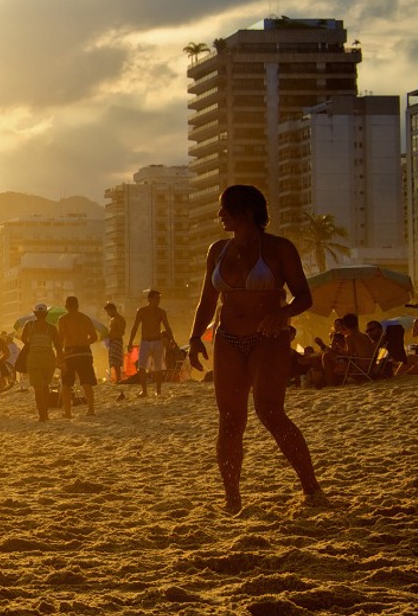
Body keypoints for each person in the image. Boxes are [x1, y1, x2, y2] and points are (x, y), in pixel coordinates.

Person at [188, 184, 326, 513]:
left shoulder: (279, 249)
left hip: (269, 339)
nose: (219, 215)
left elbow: (304, 296)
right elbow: (207, 300)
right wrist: (194, 338)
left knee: (270, 412)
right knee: (230, 419)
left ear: (246, 212)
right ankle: (232, 499)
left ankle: (311, 487)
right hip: (228, 339)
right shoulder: (217, 250)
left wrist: (282, 313)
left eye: (225, 209)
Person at [56, 296, 100, 418]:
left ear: (66, 306)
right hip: (85, 352)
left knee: (66, 384)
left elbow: (60, 339)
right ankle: (91, 410)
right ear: (78, 306)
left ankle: (68, 412)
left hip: (70, 353)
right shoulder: (85, 318)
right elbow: (94, 337)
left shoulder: (63, 319)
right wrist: (85, 342)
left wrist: (59, 356)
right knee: (86, 382)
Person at [128, 289, 176, 398]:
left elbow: (167, 327)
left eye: (159, 298)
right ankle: (144, 390)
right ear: (149, 299)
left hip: (157, 341)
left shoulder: (161, 312)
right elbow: (135, 327)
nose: (158, 300)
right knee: (141, 367)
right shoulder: (141, 311)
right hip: (145, 341)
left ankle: (158, 390)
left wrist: (172, 340)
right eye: (156, 298)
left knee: (158, 368)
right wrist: (130, 342)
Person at [20, 304, 60, 422]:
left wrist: (31, 343)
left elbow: (23, 339)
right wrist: (60, 359)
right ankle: (45, 412)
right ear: (46, 314)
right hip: (48, 358)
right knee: (45, 385)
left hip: (34, 358)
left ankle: (42, 414)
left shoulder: (29, 325)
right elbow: (58, 345)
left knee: (38, 387)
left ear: (35, 314)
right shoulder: (52, 328)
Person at [103, 302, 127, 392]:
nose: (108, 314)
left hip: (116, 341)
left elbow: (121, 332)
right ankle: (117, 379)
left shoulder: (118, 319)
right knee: (114, 361)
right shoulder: (114, 319)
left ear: (112, 310)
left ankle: (118, 379)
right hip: (113, 341)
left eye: (108, 312)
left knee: (116, 362)